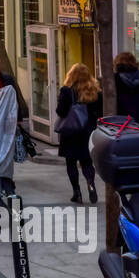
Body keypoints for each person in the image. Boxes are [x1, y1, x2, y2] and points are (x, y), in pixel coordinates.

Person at [55, 63, 102, 204]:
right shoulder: (96, 91)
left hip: (70, 132)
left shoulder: (66, 91)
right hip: (88, 131)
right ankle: (91, 184)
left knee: (71, 162)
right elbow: (99, 113)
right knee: (87, 161)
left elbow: (61, 111)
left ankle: (77, 192)